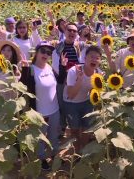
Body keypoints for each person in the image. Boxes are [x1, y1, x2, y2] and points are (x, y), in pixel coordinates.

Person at [20, 41, 67, 171]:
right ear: (37, 52)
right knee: (40, 138)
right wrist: (24, 69)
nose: (46, 54)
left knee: (54, 136)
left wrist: (62, 66)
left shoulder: (49, 68)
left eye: (49, 52)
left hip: (54, 109)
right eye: (43, 51)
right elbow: (22, 88)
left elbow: (60, 80)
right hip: (39, 113)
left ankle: (54, 155)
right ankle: (41, 158)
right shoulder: (31, 70)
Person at [63, 46, 103, 152]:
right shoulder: (73, 71)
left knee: (86, 128)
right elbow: (71, 95)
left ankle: (83, 152)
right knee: (75, 129)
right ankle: (76, 150)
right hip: (71, 103)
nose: (94, 59)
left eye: (97, 58)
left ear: (100, 61)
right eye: (91, 57)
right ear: (85, 58)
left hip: (86, 101)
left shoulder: (98, 73)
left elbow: (97, 92)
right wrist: (80, 80)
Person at [52, 22, 82, 136]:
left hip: (75, 81)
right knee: (61, 104)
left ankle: (75, 128)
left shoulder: (79, 46)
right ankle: (62, 128)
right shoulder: (58, 46)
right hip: (62, 80)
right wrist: (63, 76)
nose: (72, 33)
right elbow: (55, 64)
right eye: (69, 30)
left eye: (74, 31)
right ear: (64, 32)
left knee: (74, 103)